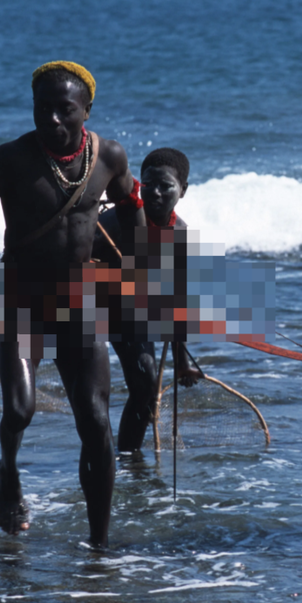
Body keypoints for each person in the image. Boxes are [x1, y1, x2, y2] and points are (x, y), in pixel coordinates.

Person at [0, 61, 144, 548]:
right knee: (19, 410)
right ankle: (8, 471)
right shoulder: (12, 159)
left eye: (66, 110)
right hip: (22, 299)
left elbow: (132, 208)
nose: (54, 120)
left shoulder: (110, 157)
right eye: (44, 109)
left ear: (87, 111)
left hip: (79, 300)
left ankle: (100, 546)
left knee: (96, 421)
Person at [93, 147, 201, 453]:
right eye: (147, 184)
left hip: (131, 313)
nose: (154, 193)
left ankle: (128, 460)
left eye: (165, 186)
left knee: (146, 389)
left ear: (183, 191)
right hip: (89, 303)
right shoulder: (118, 219)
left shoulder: (179, 235)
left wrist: (181, 363)